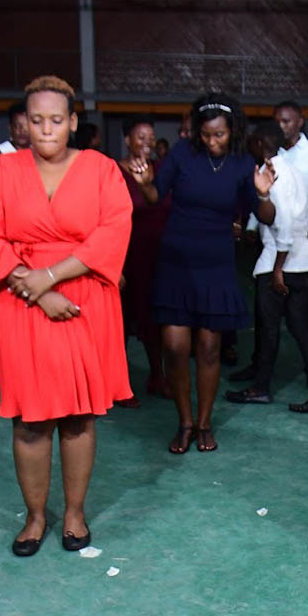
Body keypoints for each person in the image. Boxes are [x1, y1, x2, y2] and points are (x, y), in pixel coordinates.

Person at [0, 75, 132, 557]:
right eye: (36, 119)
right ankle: (36, 516)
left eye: (56, 120)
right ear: (23, 122)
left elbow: (112, 233)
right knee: (29, 419)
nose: (46, 129)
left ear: (73, 122)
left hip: (83, 299)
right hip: (20, 301)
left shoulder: (102, 170)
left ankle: (75, 513)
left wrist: (51, 276)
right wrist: (39, 291)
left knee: (79, 416)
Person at [152, 93, 276, 454]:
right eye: (206, 135)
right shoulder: (182, 154)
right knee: (175, 347)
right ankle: (184, 422)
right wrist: (144, 182)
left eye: (219, 135)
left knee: (209, 348)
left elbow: (266, 217)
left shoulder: (242, 163)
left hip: (216, 266)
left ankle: (204, 424)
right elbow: (155, 195)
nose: (212, 141)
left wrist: (263, 194)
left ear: (232, 130)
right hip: (176, 262)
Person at [230, 101, 308, 383]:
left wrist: (300, 215)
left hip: (295, 242)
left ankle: (290, 378)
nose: (281, 126)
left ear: (300, 122)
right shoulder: (274, 159)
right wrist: (253, 225)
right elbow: (267, 200)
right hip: (276, 239)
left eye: (286, 121)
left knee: (296, 318)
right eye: (277, 121)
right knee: (274, 316)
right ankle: (266, 369)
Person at [114, 117, 169, 404]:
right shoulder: (113, 172)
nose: (147, 143)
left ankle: (157, 377)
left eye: (151, 138)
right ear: (127, 140)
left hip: (157, 255)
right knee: (121, 323)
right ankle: (119, 386)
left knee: (154, 320)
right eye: (140, 137)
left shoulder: (160, 170)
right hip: (125, 256)